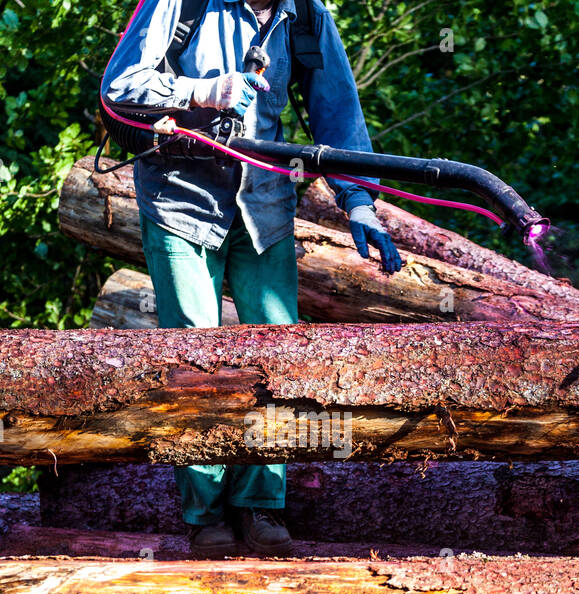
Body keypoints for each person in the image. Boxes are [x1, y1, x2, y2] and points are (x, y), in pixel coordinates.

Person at [102, 0, 402, 558]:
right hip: (179, 199)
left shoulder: (308, 18)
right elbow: (120, 86)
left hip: (264, 205)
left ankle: (261, 507)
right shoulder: (180, 4)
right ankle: (205, 514)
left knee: (276, 353)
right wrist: (202, 91)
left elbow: (338, 115)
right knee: (195, 356)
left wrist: (359, 201)